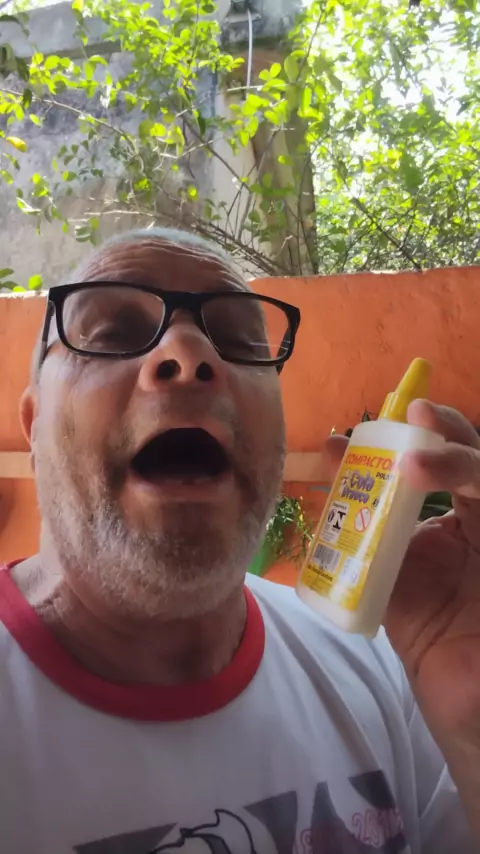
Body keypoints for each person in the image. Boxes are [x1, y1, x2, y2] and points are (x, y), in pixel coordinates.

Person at [1, 227, 479, 854]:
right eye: (113, 333)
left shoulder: (386, 666)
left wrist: (472, 732)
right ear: (34, 425)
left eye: (237, 340)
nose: (189, 352)